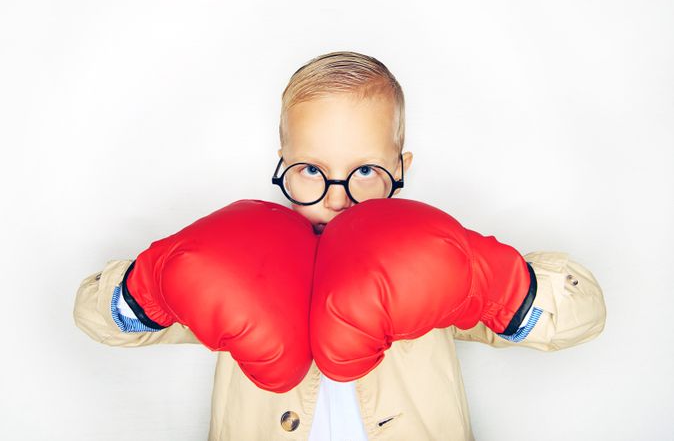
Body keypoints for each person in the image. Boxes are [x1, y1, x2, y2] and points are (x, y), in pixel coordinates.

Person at [73, 51, 607, 440]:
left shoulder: (422, 256)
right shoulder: (244, 262)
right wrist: (147, 288)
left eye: (366, 171)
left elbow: (583, 315)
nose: (336, 198)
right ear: (281, 161)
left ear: (401, 169)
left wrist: (490, 279)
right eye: (310, 170)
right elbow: (96, 319)